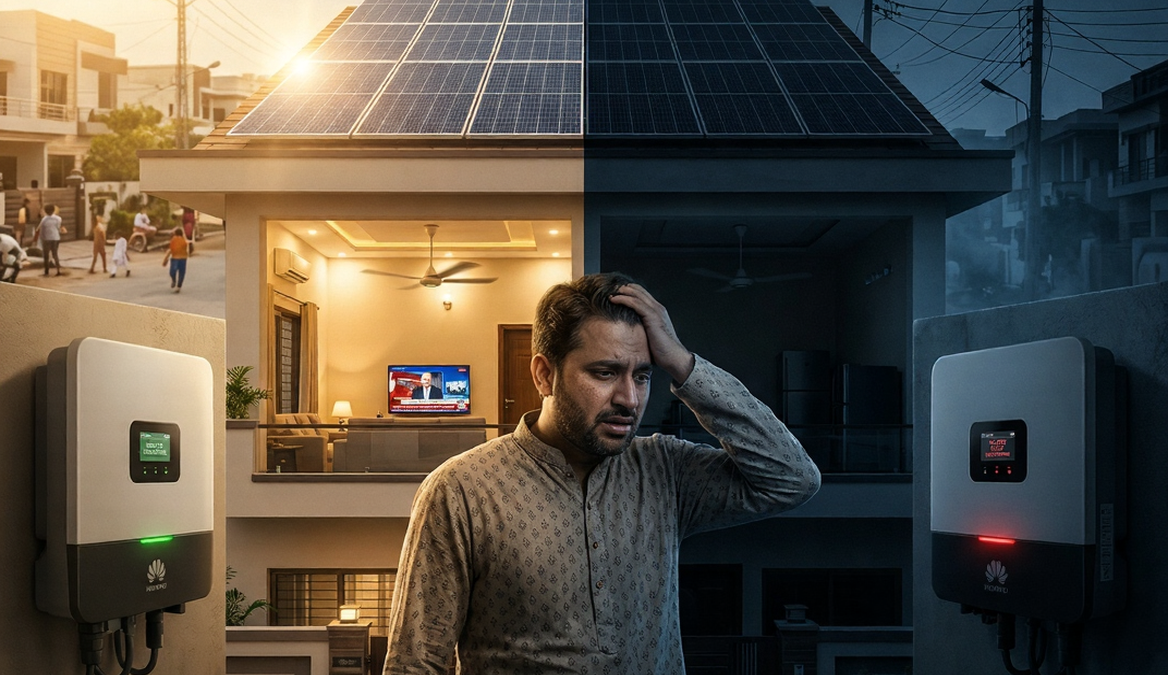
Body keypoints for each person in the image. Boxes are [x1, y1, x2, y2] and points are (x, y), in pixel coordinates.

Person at [384, 273, 821, 674]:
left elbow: (793, 478)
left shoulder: (666, 472)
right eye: (605, 373)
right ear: (544, 375)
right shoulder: (461, 490)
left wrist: (682, 364)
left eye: (642, 376)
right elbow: (415, 664)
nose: (629, 398)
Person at [32, 204, 65, 276]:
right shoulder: (58, 218)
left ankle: (46, 272)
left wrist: (41, 238)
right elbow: (58, 227)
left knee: (46, 256)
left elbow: (41, 230)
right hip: (56, 238)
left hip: (47, 239)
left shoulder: (44, 220)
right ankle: (58, 270)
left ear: (45, 211)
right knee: (55, 254)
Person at [161, 227, 189, 292]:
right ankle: (178, 285)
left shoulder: (178, 240)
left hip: (178, 258)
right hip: (180, 258)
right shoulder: (181, 240)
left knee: (173, 272)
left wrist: (165, 259)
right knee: (181, 273)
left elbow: (170, 250)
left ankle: (175, 282)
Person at [89, 210, 108, 274]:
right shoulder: (98, 226)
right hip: (99, 243)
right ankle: (104, 268)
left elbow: (102, 234)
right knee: (102, 256)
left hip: (98, 243)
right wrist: (104, 241)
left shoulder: (97, 227)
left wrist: (103, 241)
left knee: (97, 256)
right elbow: (102, 235)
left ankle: (93, 268)